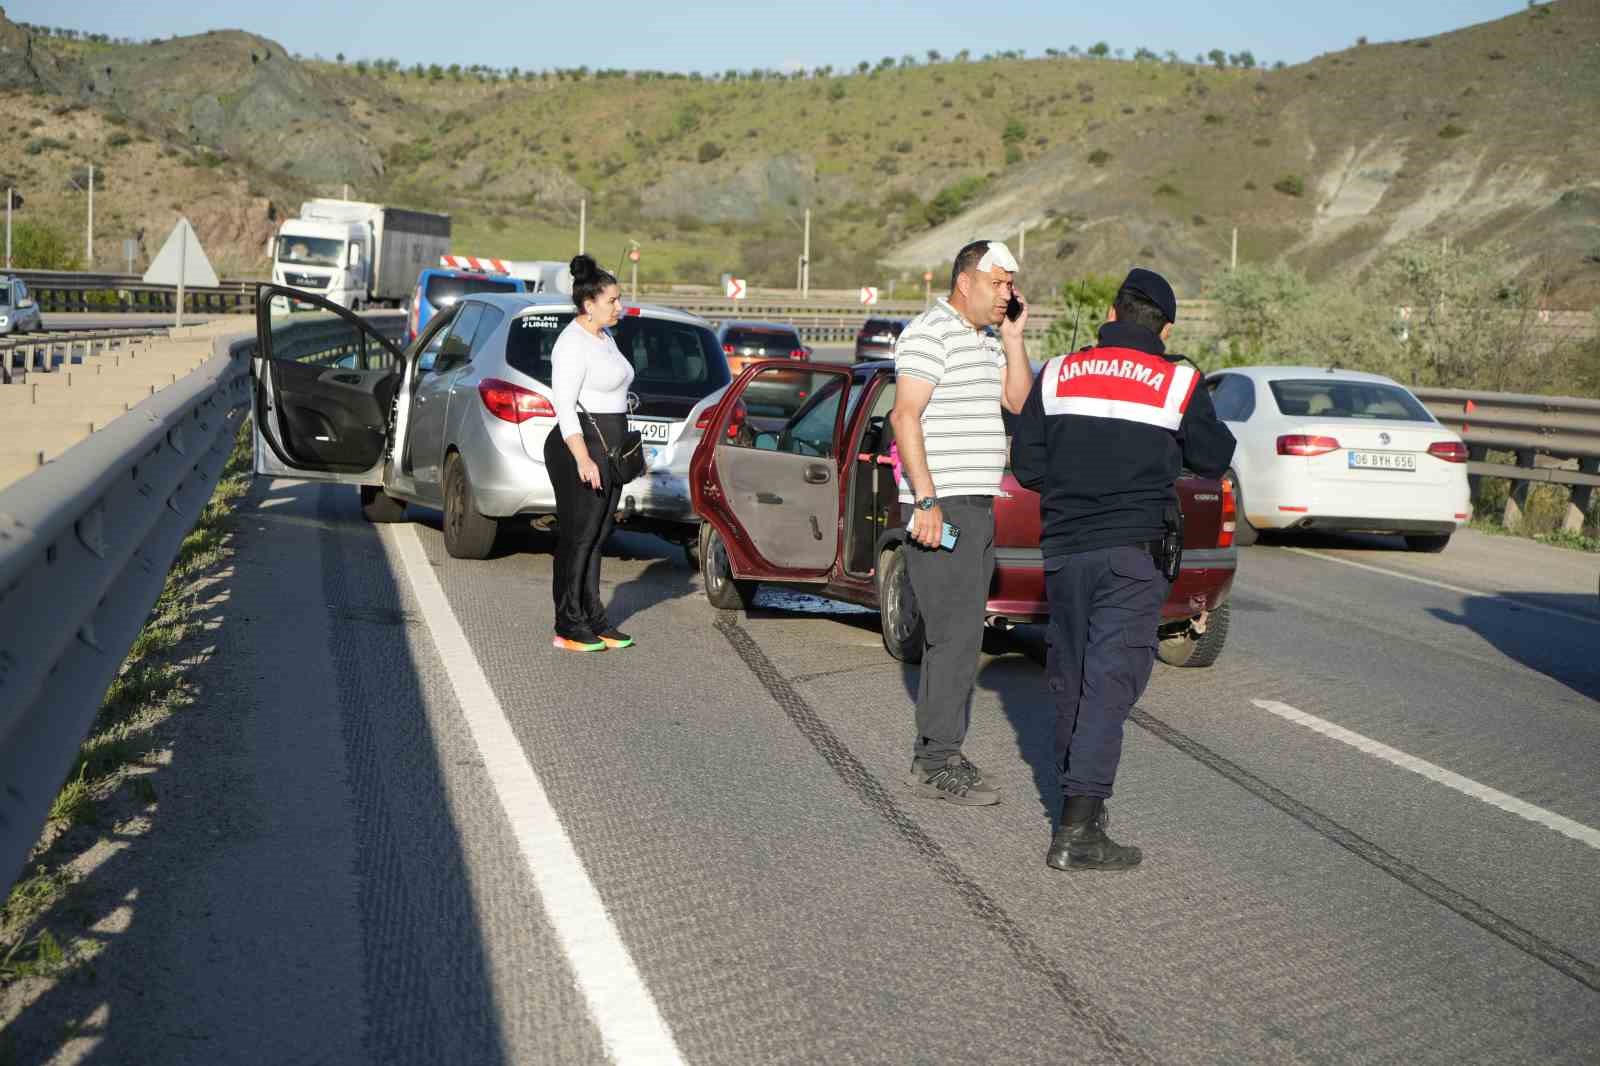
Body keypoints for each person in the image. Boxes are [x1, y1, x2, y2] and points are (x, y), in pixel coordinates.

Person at [1011, 268, 1235, 870]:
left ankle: (1076, 807)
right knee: (1109, 686)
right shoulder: (1179, 380)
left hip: (1065, 552)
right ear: (1164, 325)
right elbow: (1213, 461)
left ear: (1111, 311)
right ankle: (1078, 832)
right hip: (1133, 554)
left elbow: (1028, 468)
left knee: (1073, 679)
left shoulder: (1058, 372)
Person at [889, 240, 1034, 805]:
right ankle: (934, 761)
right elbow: (905, 414)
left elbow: (1017, 403)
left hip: (976, 505)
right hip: (943, 505)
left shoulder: (987, 340)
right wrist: (925, 501)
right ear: (965, 282)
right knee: (952, 637)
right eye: (998, 284)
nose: (1008, 295)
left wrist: (1015, 340)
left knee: (964, 634)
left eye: (1011, 286)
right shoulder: (930, 332)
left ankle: (942, 750)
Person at [543, 254, 636, 652]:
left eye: (618, 299)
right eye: (612, 300)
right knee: (577, 537)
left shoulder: (604, 336)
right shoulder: (571, 342)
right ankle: (567, 622)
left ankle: (594, 617)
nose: (619, 307)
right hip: (581, 449)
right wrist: (583, 459)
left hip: (611, 449)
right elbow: (564, 407)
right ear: (588, 304)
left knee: (598, 536)